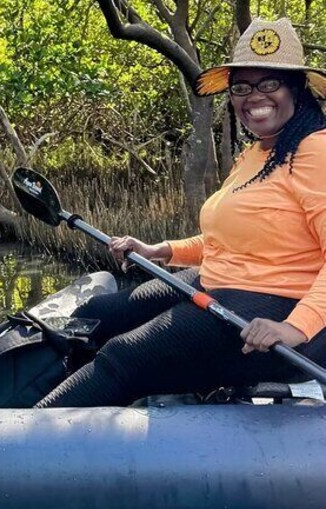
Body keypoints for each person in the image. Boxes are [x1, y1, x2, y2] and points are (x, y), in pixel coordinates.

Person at [37, 18, 326, 408]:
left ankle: (15, 443)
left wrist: (294, 328)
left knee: (123, 358)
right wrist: (164, 250)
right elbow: (232, 239)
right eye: (241, 87)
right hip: (218, 283)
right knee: (96, 314)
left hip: (278, 306)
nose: (253, 97)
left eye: (269, 83)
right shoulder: (258, 152)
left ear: (297, 89)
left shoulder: (315, 150)